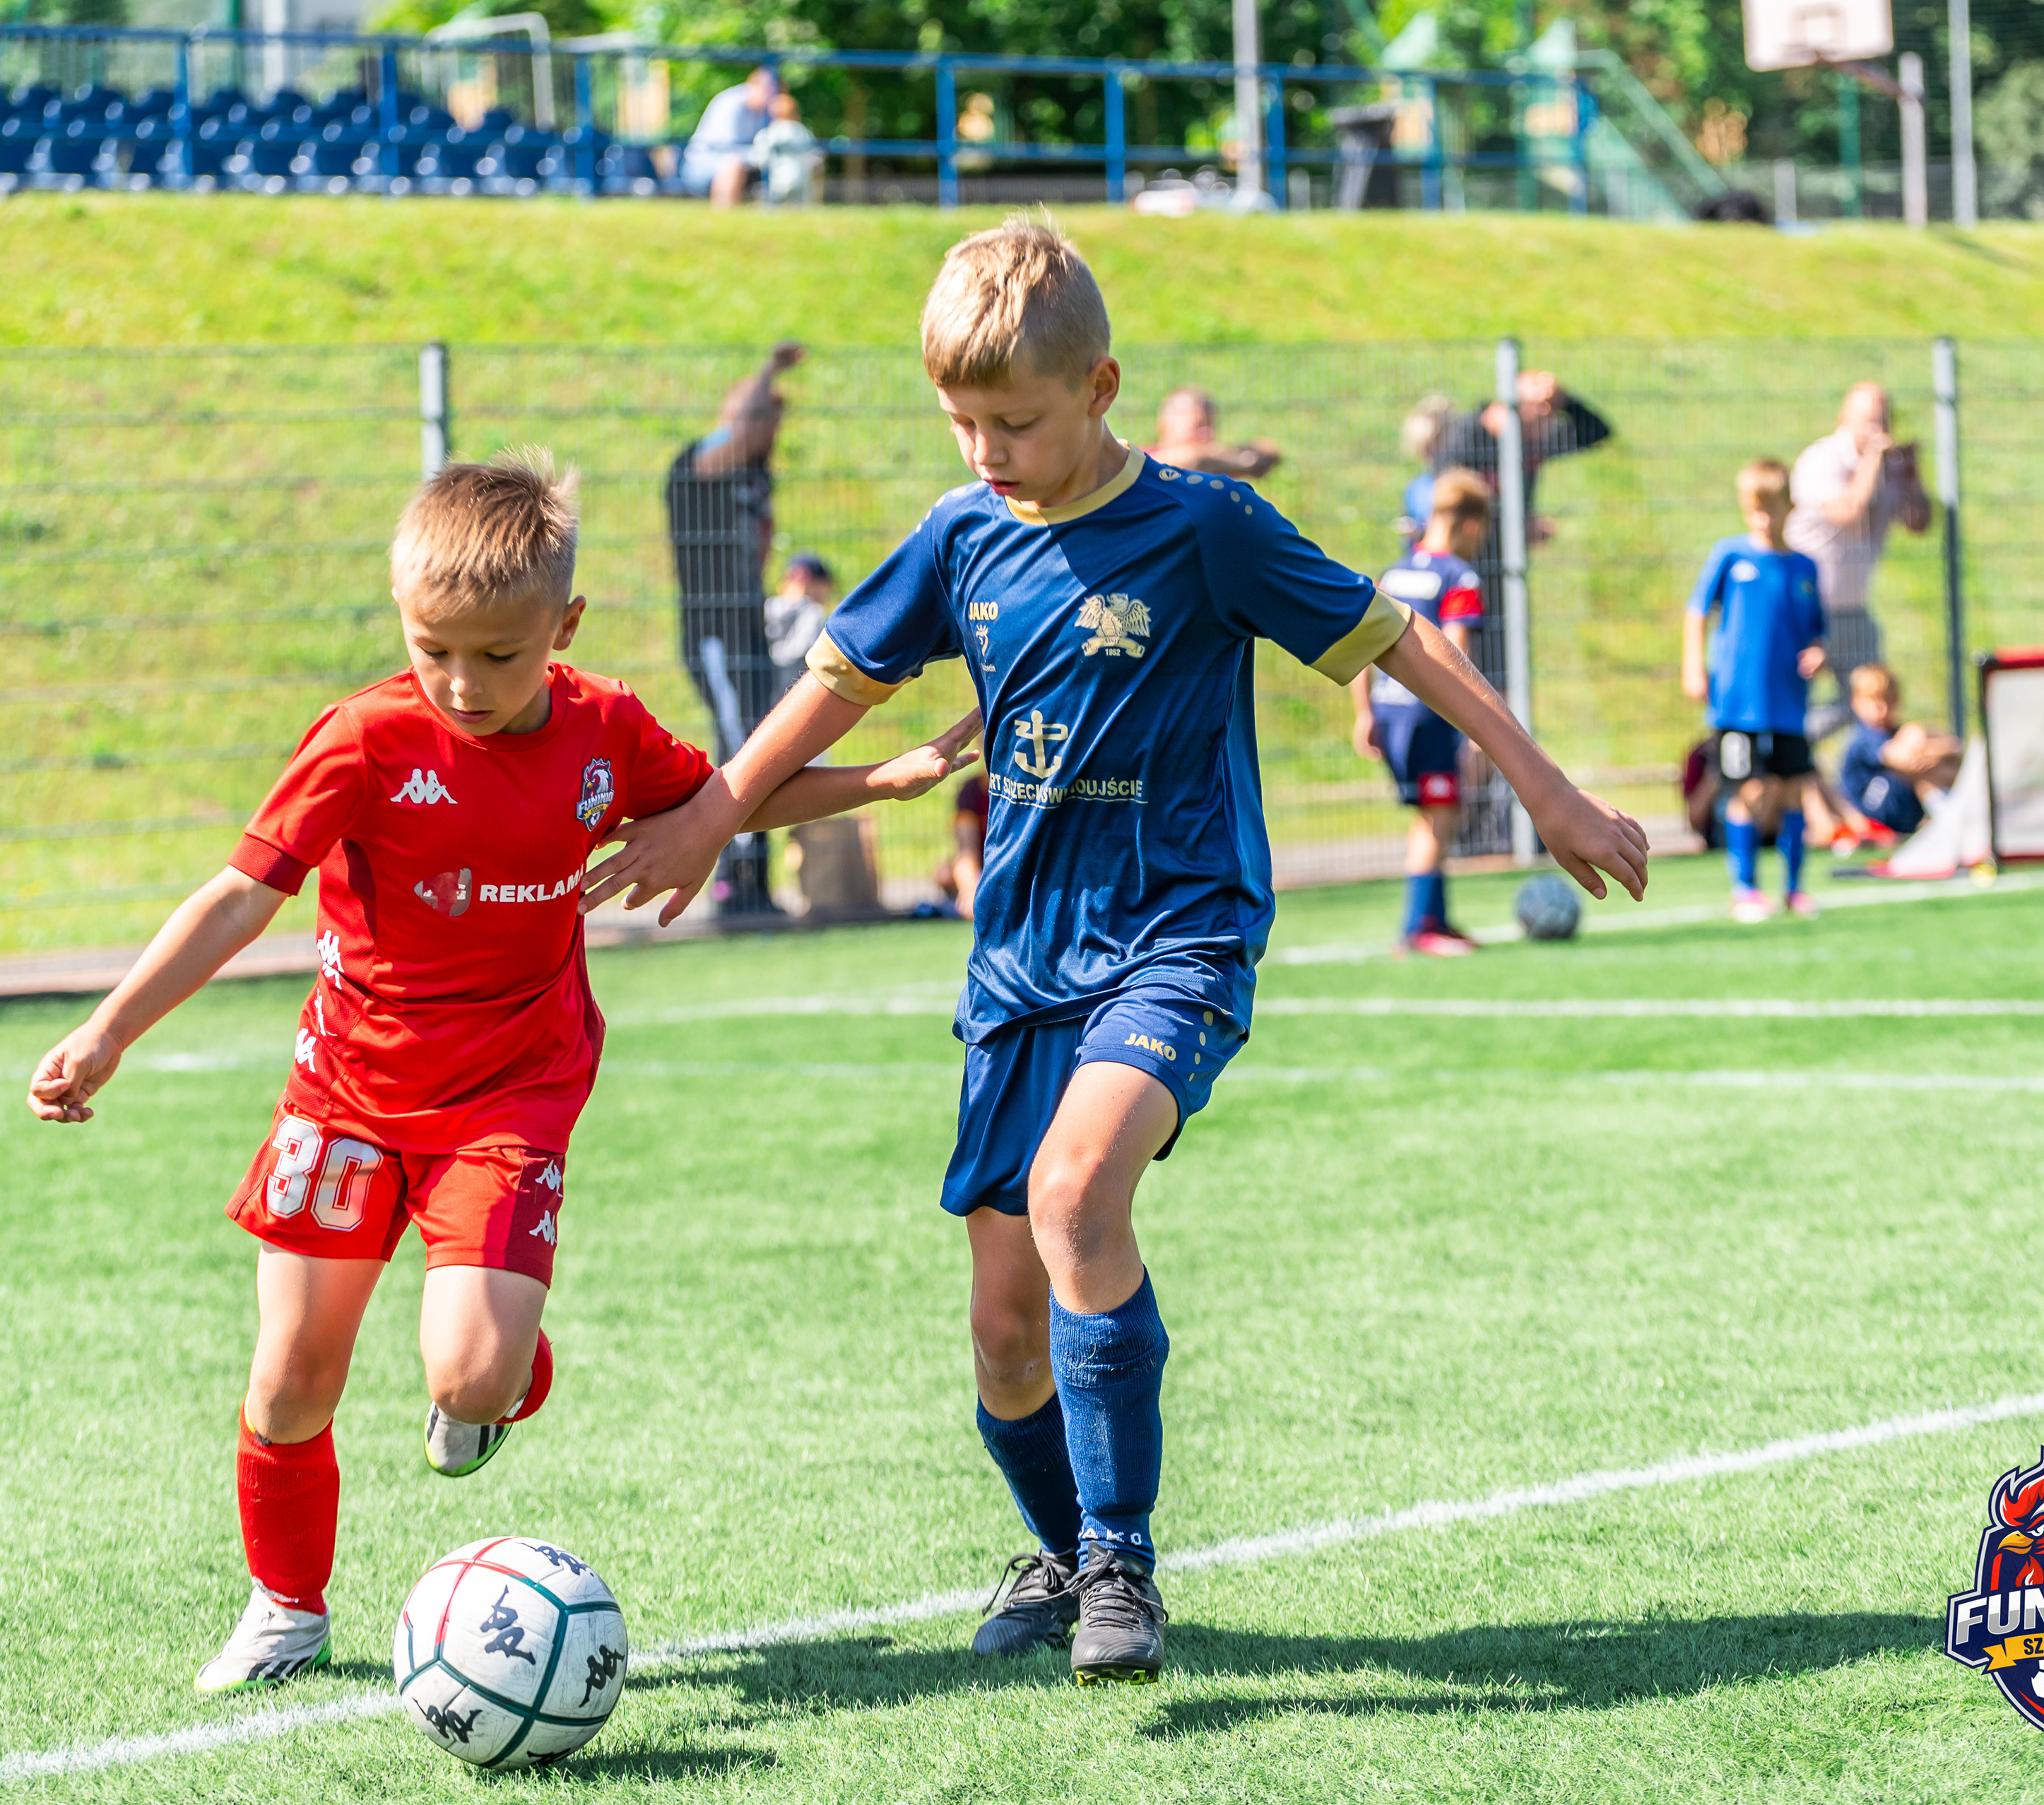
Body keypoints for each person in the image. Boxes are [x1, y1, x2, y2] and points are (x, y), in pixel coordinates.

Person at [579, 216, 1648, 1684]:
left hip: (1179, 931)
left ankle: (1123, 1564)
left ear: (1101, 387)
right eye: (962, 423)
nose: (988, 452)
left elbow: (1403, 641)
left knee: (1079, 1190)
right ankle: (1068, 1547)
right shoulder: (961, 537)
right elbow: (836, 686)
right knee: (1003, 1332)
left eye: (1016, 422)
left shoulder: (1205, 525)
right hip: (1021, 958)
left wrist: (1548, 788)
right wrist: (711, 814)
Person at [23, 454, 977, 1693]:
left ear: (563, 627)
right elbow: (240, 896)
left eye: (499, 655)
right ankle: (286, 1607)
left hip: (513, 1094)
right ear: (402, 619)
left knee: (472, 1376)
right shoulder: (364, 739)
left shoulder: (603, 729)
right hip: (347, 1094)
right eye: (434, 651)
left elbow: (716, 804)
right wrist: (109, 1031)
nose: (464, 684)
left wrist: (882, 779)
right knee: (292, 1380)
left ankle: (497, 1369)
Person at [665, 341, 803, 914]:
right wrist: (769, 369)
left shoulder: (756, 475)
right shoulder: (695, 465)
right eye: (762, 418)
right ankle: (732, 880)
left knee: (760, 739)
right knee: (737, 741)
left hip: (749, 628)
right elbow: (740, 426)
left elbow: (763, 543)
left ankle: (755, 880)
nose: (769, 431)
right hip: (713, 630)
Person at [1350, 468, 1491, 956]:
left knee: (1433, 813)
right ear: (1471, 525)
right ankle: (1418, 928)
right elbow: (1455, 656)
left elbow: (1361, 643)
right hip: (1429, 715)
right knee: (1439, 816)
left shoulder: (1394, 572)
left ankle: (1438, 918)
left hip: (1389, 710)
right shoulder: (1459, 576)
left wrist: (1363, 712)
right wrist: (1476, 724)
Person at [1682, 458, 1827, 925]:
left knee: (1792, 791)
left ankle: (1794, 889)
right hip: (1736, 703)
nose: (1763, 518)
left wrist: (1818, 653)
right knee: (1747, 789)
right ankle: (1744, 888)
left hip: (1788, 703)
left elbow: (1817, 632)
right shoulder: (1731, 557)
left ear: (1790, 506)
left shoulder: (1804, 568)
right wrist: (1693, 666)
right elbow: (1697, 611)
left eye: (1771, 508)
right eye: (1753, 509)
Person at [1788, 382, 1931, 736]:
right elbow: (1848, 510)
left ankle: (1839, 765)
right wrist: (1873, 460)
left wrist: (1912, 477)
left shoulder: (1888, 466)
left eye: (1884, 420)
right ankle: (1789, 753)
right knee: (1791, 703)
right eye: (1869, 420)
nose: (1878, 429)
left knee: (1870, 706)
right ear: (1844, 418)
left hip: (1852, 609)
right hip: (1805, 608)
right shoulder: (1821, 459)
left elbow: (1919, 523)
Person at [1436, 367, 1612, 544]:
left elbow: (1596, 432)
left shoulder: (1534, 438)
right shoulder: (1465, 438)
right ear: (1513, 406)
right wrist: (1516, 528)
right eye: (1539, 406)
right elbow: (1447, 503)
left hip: (1509, 553)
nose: (1547, 414)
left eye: (1552, 409)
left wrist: (1564, 400)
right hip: (1467, 551)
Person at [1837, 661, 1961, 843]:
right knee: (1914, 738)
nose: (1883, 709)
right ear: (1855, 701)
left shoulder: (1895, 732)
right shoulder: (1863, 738)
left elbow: (1956, 748)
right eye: (1875, 702)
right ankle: (1951, 822)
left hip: (1904, 818)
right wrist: (1929, 749)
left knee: (1924, 744)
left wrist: (1934, 751)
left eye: (1889, 701)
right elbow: (1901, 760)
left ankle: (1955, 817)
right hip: (1871, 817)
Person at [680, 64, 777, 208]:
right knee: (733, 164)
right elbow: (728, 149)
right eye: (771, 94)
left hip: (744, 162)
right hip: (703, 163)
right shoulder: (732, 103)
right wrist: (759, 156)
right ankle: (724, 214)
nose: (773, 100)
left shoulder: (764, 112)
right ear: (755, 86)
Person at [1146, 387, 1280, 480]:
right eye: (1198, 426)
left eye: (1210, 425)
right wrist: (1239, 460)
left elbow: (1269, 451)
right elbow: (1185, 460)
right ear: (1166, 425)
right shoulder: (1145, 460)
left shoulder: (1217, 463)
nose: (1207, 433)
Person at [1394, 394, 1452, 547]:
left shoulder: (1464, 483)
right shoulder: (1416, 489)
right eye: (1426, 448)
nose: (1430, 454)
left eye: (1434, 444)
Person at [762, 552, 834, 671]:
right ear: (805, 577)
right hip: (797, 677)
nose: (827, 594)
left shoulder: (765, 607)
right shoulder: (814, 612)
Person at [751, 93, 825, 207]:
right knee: (800, 209)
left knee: (771, 207)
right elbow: (816, 160)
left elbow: (759, 160)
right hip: (801, 181)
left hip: (777, 182)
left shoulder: (767, 133)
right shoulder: (803, 132)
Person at [931, 773, 987, 916]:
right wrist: (969, 887)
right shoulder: (973, 790)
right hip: (982, 867)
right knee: (943, 873)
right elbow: (967, 848)